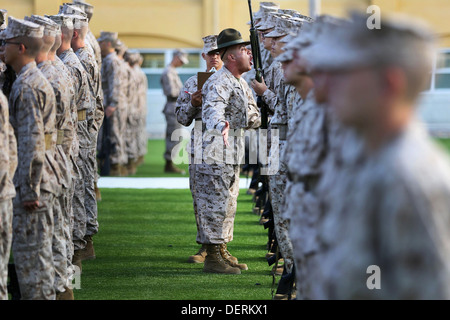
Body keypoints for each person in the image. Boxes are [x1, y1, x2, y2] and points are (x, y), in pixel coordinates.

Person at [302, 11, 450, 299]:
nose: (326, 86)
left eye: (342, 72)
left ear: (389, 83)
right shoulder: (367, 157)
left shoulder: (409, 176)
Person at [5, 16, 59, 300]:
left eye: (7, 43)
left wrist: (28, 189)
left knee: (32, 265)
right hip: (42, 180)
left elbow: (31, 142)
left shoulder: (27, 86)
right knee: (39, 259)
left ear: (21, 47)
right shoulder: (30, 80)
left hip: (33, 186)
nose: (3, 48)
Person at [199, 28, 261, 274]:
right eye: (244, 50)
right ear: (232, 57)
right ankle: (212, 257)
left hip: (231, 151)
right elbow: (212, 109)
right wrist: (221, 124)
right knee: (215, 203)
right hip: (218, 151)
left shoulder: (240, 82)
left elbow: (253, 116)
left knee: (228, 201)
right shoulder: (219, 81)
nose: (249, 54)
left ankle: (221, 248)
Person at [25, 14, 73, 300]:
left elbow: (38, 137)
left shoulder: (39, 79)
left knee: (44, 238)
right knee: (56, 232)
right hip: (57, 162)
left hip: (46, 166)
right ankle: (63, 288)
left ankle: (58, 289)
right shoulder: (55, 71)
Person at [175, 34, 223, 264]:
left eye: (218, 53)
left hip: (226, 144)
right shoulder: (193, 82)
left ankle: (222, 247)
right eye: (210, 53)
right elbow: (181, 118)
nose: (214, 57)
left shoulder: (233, 81)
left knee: (226, 198)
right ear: (203, 55)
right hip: (201, 144)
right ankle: (206, 246)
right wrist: (193, 104)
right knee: (201, 196)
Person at [97, 31, 124, 177]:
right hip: (107, 103)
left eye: (101, 43)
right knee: (109, 135)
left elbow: (116, 83)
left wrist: (112, 104)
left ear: (108, 43)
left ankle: (115, 166)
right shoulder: (108, 59)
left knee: (113, 135)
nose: (99, 45)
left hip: (110, 104)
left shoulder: (112, 60)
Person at [161, 48, 189, 174]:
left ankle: (170, 162)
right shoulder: (168, 72)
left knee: (176, 135)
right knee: (173, 135)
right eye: (181, 61)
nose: (182, 64)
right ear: (176, 57)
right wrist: (187, 94)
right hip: (173, 105)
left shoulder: (173, 71)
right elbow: (172, 92)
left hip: (175, 106)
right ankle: (169, 163)